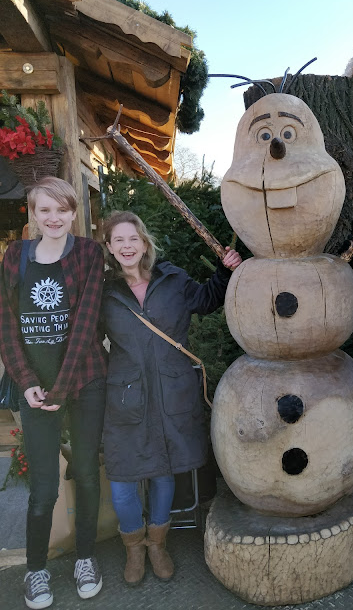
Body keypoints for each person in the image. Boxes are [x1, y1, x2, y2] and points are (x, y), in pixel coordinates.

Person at [101, 210, 242, 586]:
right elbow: (85, 336)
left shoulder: (172, 279)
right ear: (110, 248)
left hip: (170, 391)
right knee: (122, 479)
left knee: (164, 470)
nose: (127, 246)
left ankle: (157, 545)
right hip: (126, 397)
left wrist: (226, 271)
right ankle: (134, 547)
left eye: (133, 238)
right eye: (119, 240)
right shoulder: (103, 292)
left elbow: (208, 299)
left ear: (144, 243)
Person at [0, 177, 107, 609]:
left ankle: (85, 559)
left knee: (84, 471)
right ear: (33, 214)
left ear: (73, 212)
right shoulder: (14, 256)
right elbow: (6, 325)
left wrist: (61, 388)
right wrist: (27, 382)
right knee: (43, 485)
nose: (54, 218)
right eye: (44, 210)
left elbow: (84, 325)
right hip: (35, 391)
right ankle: (37, 569)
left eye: (62, 209)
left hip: (83, 382)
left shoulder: (87, 254)